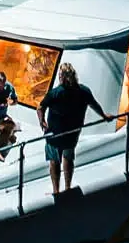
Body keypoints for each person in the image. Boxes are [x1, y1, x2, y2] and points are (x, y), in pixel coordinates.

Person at [37, 62, 108, 196]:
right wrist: (104, 115)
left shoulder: (55, 93)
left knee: (54, 161)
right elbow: (94, 105)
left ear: (61, 77)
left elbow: (40, 107)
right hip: (72, 133)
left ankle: (56, 191)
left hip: (54, 135)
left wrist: (42, 121)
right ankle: (68, 187)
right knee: (68, 158)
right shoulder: (84, 91)